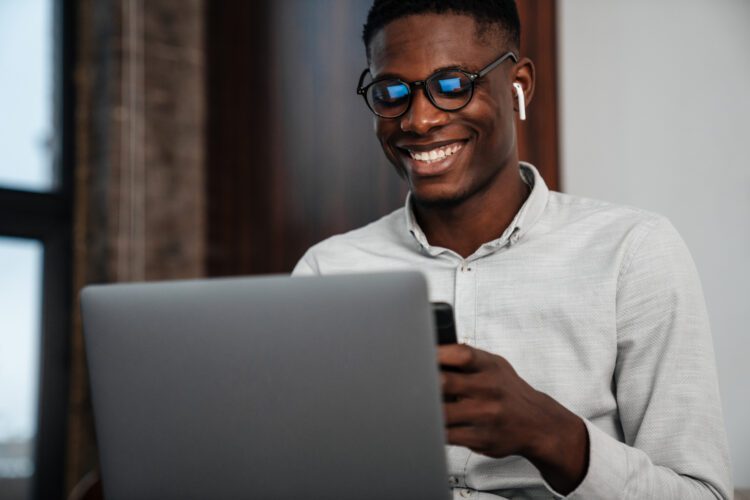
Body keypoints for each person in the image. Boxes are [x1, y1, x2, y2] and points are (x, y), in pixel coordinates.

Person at [292, 1, 732, 498]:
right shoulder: (328, 270)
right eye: (391, 92)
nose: (417, 120)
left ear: (519, 84)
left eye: (453, 85)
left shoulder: (632, 252)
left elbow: (702, 495)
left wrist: (549, 434)